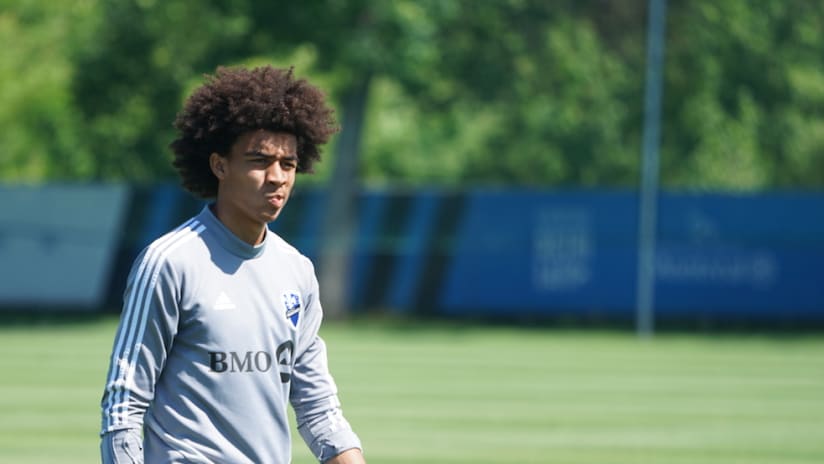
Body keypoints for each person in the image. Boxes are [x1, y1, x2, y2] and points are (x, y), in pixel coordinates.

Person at [99, 65, 365, 464]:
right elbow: (123, 406)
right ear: (220, 165)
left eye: (288, 164)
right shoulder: (170, 262)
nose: (277, 178)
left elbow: (318, 406)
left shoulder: (297, 271)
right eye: (259, 161)